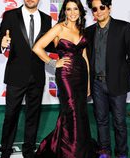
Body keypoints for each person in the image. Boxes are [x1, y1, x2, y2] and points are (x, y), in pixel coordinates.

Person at [32, 0, 97, 157]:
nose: (72, 12)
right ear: (65, 12)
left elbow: (85, 57)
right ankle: (72, 151)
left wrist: (88, 81)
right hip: (66, 75)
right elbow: (37, 47)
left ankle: (72, 145)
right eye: (69, 9)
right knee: (72, 109)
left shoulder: (82, 30)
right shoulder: (59, 28)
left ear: (80, 11)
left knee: (80, 111)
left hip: (81, 75)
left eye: (75, 9)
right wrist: (53, 62)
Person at [0, 0, 54, 157]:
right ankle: (5, 150)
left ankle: (28, 150)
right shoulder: (10, 16)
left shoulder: (47, 19)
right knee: (11, 114)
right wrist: (2, 43)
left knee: (33, 115)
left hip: (37, 75)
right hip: (15, 75)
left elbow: (49, 46)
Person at [86, 0, 130, 158]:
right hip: (97, 83)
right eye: (94, 9)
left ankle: (122, 152)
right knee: (101, 120)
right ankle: (105, 151)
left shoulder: (124, 27)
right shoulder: (89, 31)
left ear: (109, 8)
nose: (98, 11)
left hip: (118, 83)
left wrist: (122, 74)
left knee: (119, 122)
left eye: (102, 7)